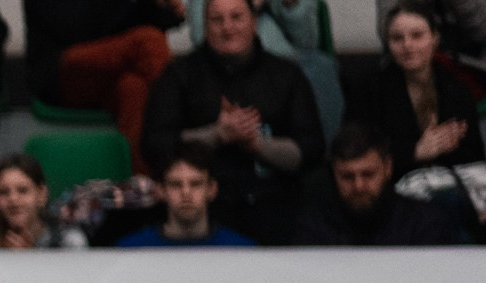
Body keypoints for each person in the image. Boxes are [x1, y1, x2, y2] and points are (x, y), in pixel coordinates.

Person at [143, 0, 325, 244]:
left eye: (236, 17)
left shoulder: (287, 75)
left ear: (254, 21)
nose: (227, 27)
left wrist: (259, 145)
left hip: (277, 206)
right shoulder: (178, 75)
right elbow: (154, 145)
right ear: (205, 26)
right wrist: (216, 135)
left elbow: (312, 150)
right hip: (204, 213)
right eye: (217, 20)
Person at [22, 0, 183, 176]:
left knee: (133, 87)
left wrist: (164, 7)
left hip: (110, 72)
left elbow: (153, 20)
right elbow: (76, 28)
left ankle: (145, 183)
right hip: (60, 70)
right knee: (148, 41)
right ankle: (176, 160)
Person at [187, 0, 344, 141]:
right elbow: (202, 37)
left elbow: (307, 43)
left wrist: (291, 5)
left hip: (287, 61)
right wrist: (249, 6)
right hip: (235, 64)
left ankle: (326, 158)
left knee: (320, 67)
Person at [357, 0, 485, 174]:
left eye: (417, 36)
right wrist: (416, 152)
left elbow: (473, 160)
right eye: (397, 38)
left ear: (434, 38)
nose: (407, 45)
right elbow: (358, 154)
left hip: (450, 180)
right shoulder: (369, 90)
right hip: (393, 183)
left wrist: (448, 146)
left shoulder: (457, 89)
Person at [293, 121, 466, 242]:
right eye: (347, 177)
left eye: (368, 174)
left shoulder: (424, 224)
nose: (358, 186)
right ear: (333, 173)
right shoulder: (313, 227)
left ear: (388, 168)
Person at [117, 142, 257, 244]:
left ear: (212, 189)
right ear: (161, 190)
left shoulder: (242, 251)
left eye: (195, 184)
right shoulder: (132, 251)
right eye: (176, 184)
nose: (186, 193)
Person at [0, 152, 88, 248]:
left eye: (22, 190)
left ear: (41, 194)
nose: (13, 199)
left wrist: (28, 259)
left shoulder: (68, 241)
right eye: (4, 192)